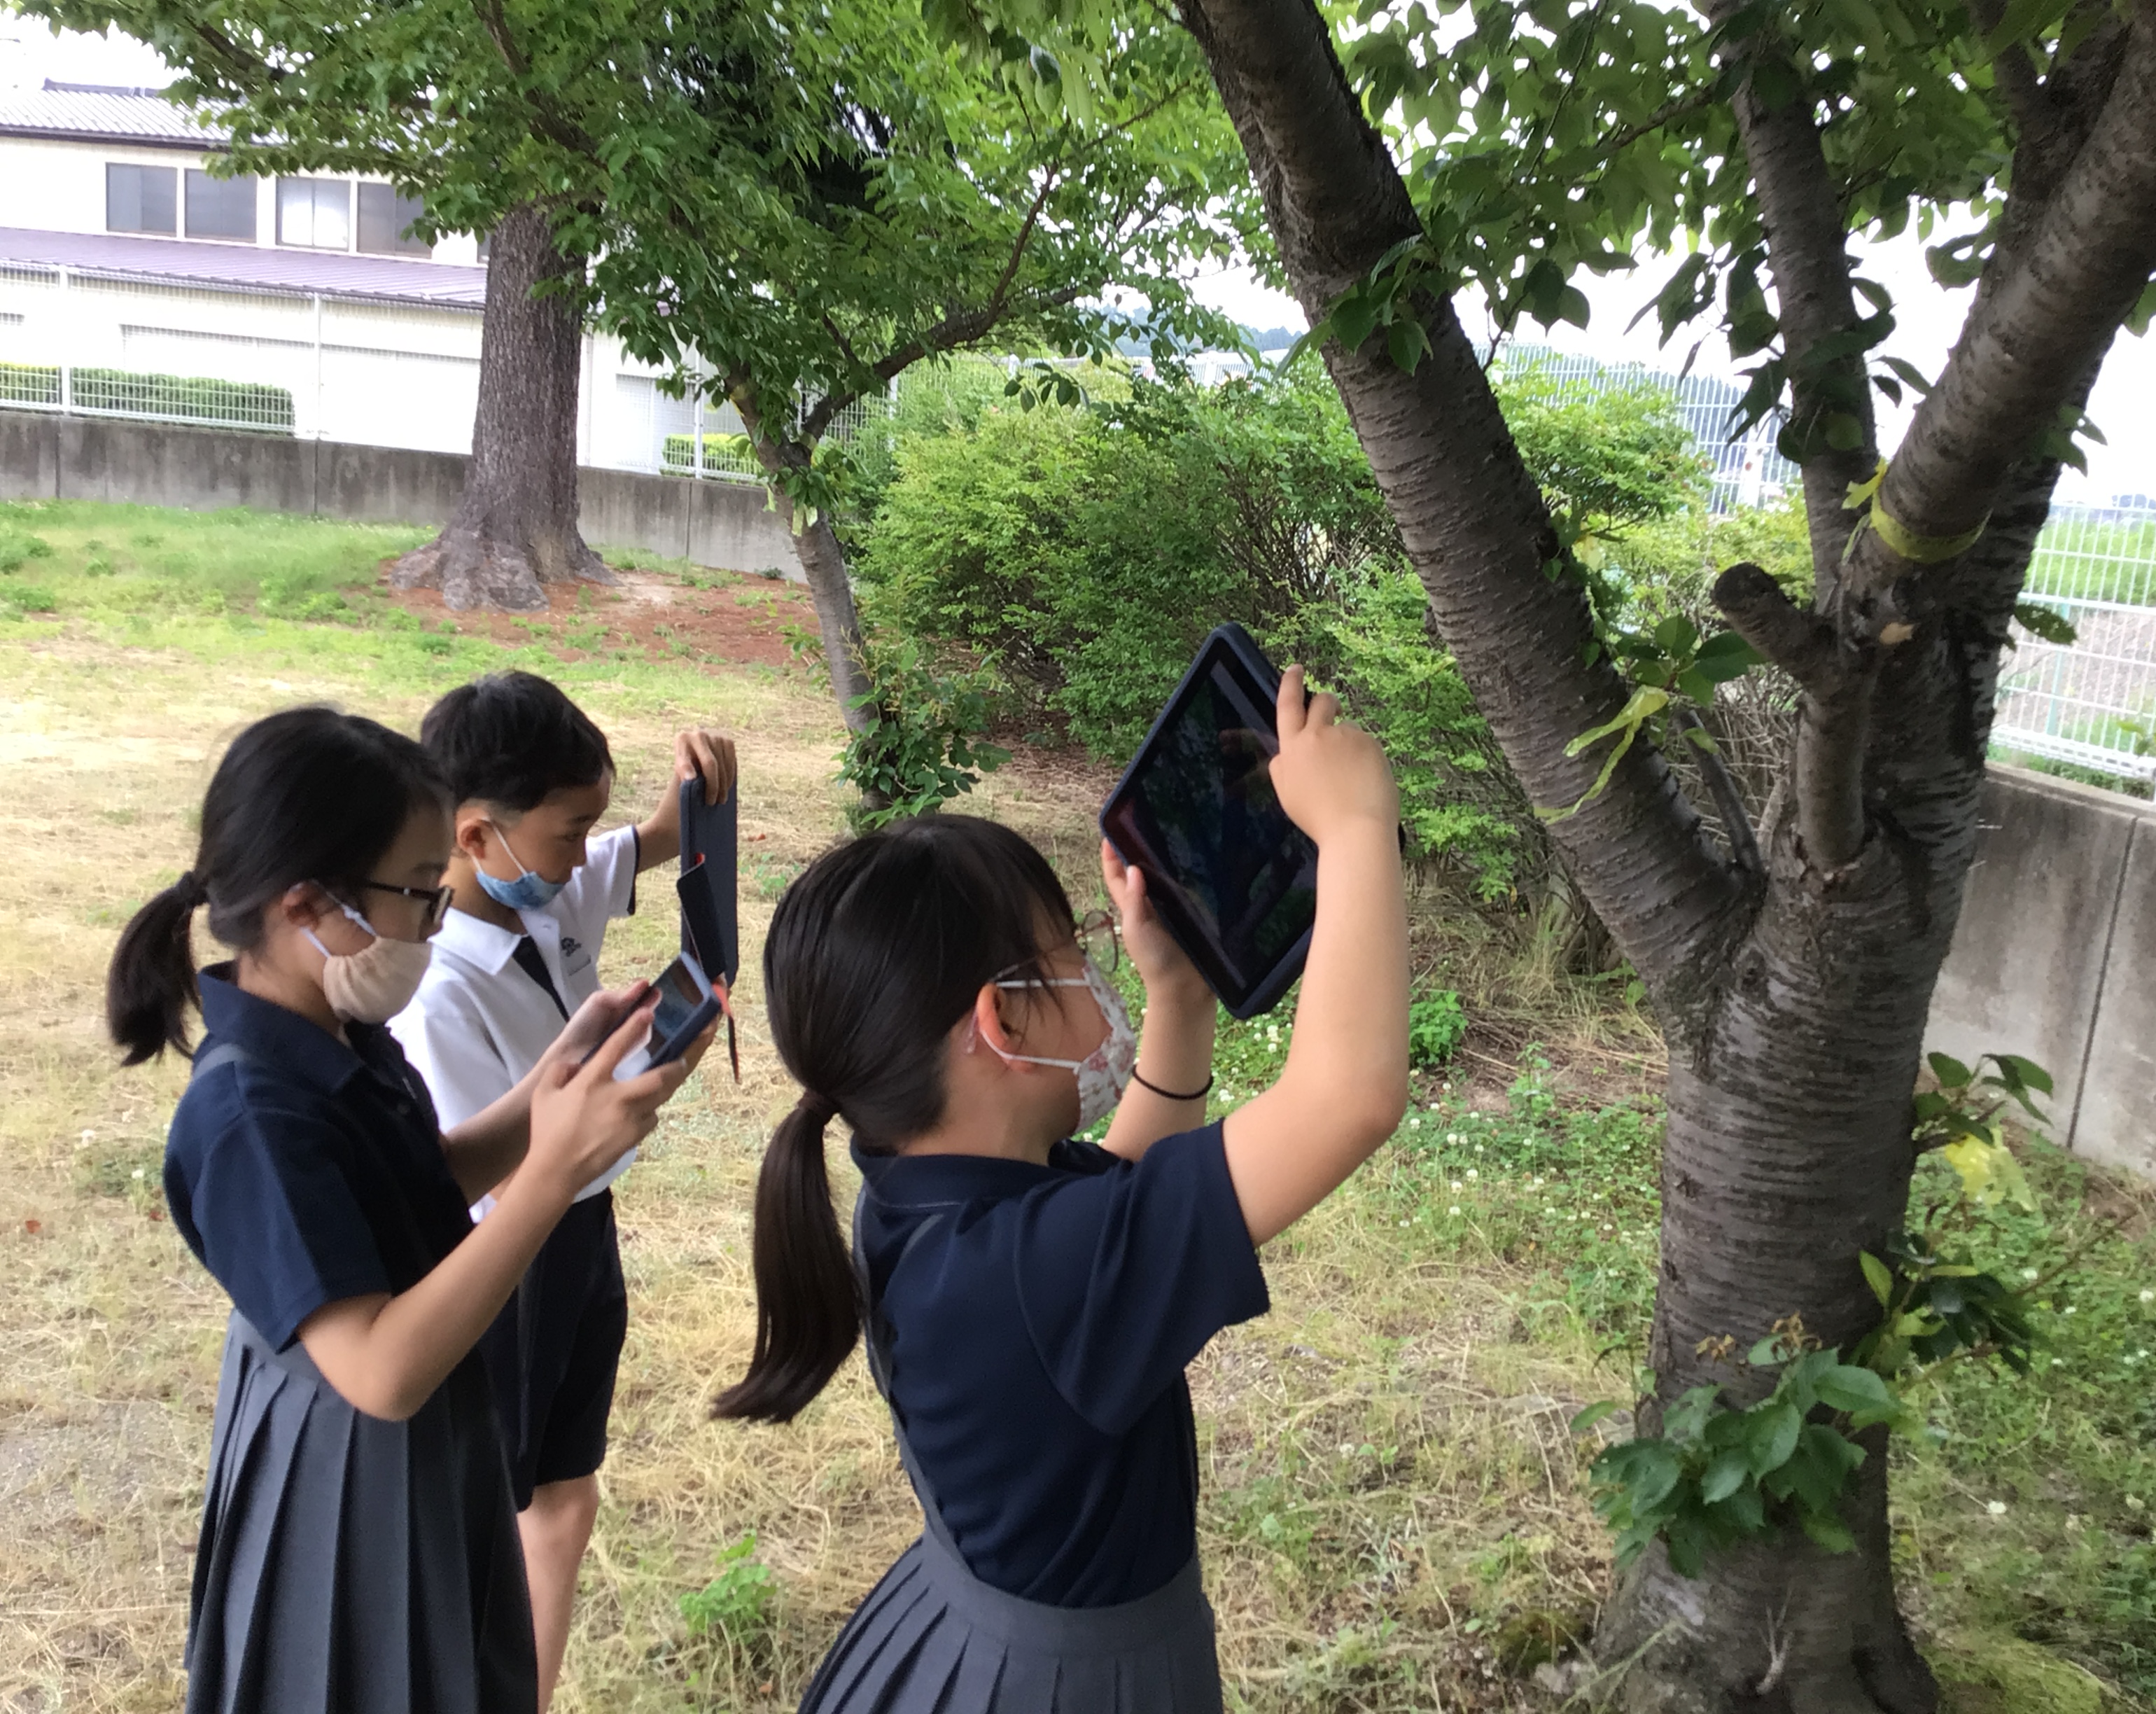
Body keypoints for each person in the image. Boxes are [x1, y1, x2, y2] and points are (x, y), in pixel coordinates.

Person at [718, 667, 1408, 1711]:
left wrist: (1175, 1002)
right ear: (1001, 1020)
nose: (1098, 971)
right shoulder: (1036, 1273)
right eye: (1073, 954)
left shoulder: (919, 1196)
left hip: (961, 1635)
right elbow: (1347, 1097)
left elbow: (1117, 1205)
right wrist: (1356, 828)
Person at [106, 705, 697, 1714]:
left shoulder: (339, 1031)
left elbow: (424, 1182)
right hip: (348, 1468)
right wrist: (554, 1173)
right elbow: (379, 1369)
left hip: (421, 1444)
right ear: (308, 907)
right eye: (421, 896)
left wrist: (555, 1080)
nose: (436, 920)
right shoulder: (250, 1113)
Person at [388, 670, 734, 1711]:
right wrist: (613, 1102)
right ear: (475, 833)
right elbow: (487, 1185)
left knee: (565, 1489)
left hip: (584, 1236)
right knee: (497, 1503)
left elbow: (661, 836)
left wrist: (704, 784)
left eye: (589, 827)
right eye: (566, 832)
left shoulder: (540, 882)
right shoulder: (436, 990)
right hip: (511, 1269)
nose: (586, 854)